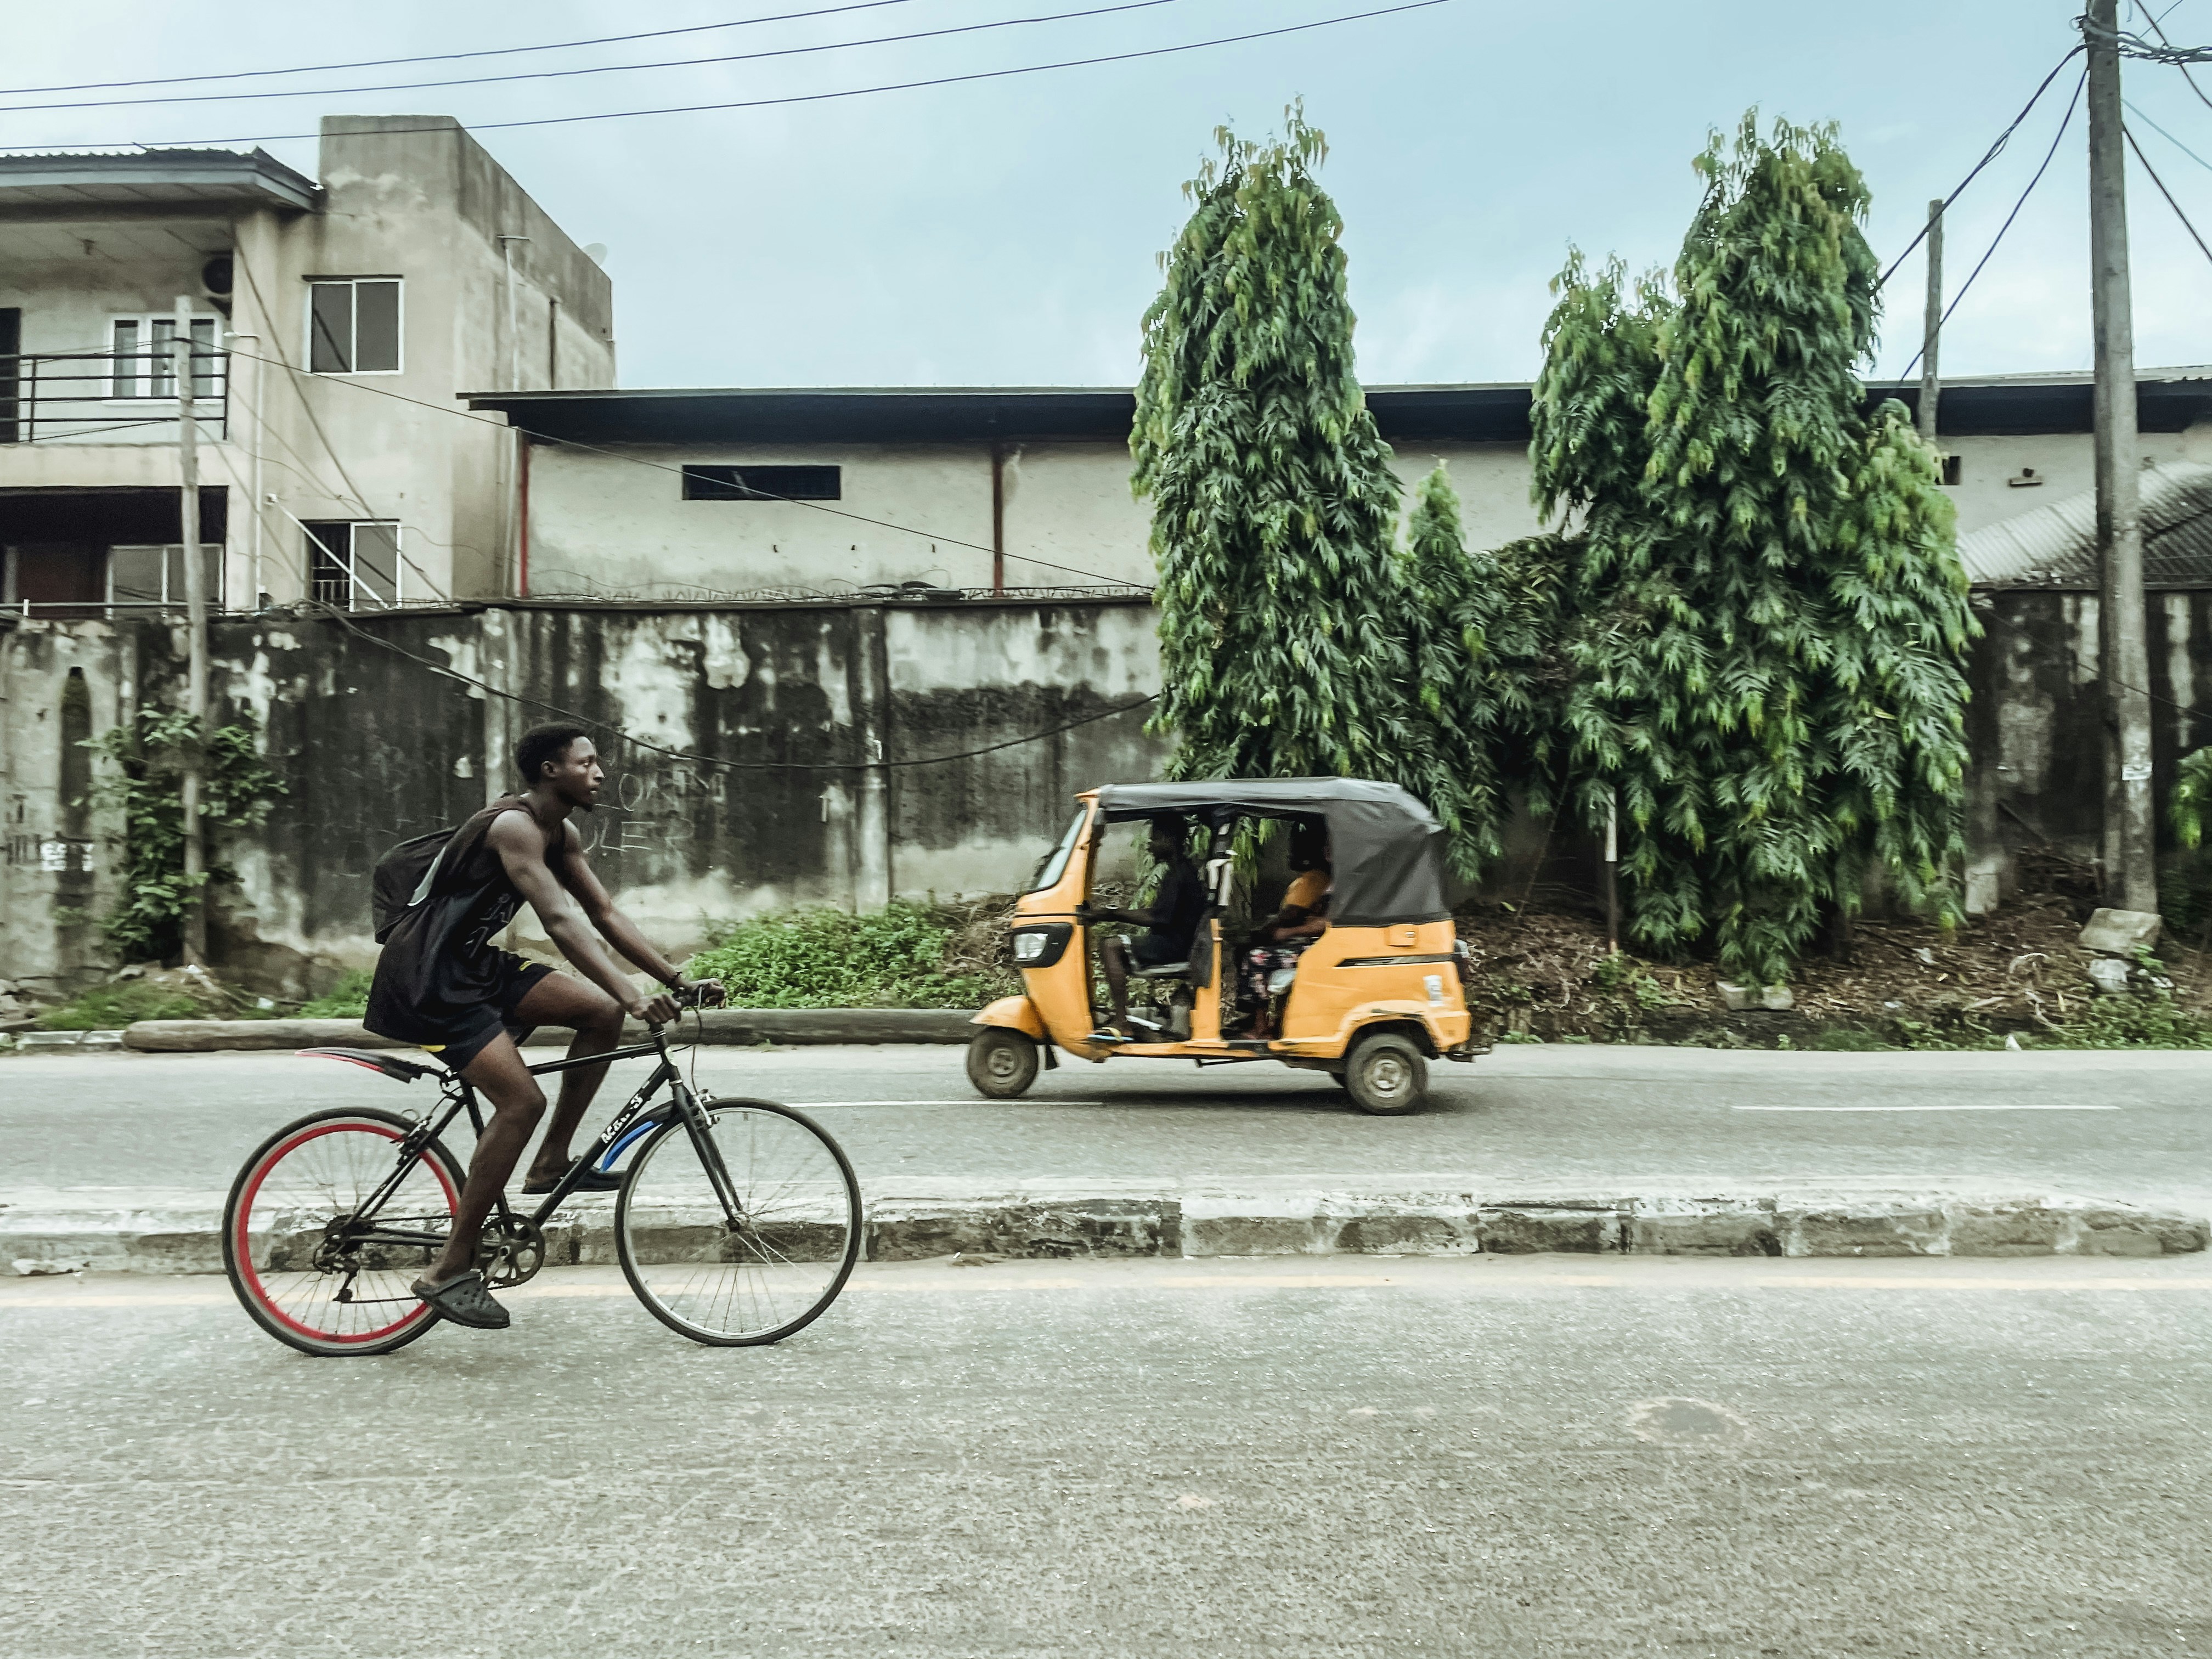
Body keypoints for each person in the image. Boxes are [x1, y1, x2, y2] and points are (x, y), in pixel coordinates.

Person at [365, 721, 723, 1331]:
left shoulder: (562, 831)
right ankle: (449, 1267)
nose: (601, 772)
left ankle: (551, 1163)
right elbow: (559, 920)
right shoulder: (513, 827)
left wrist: (673, 979)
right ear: (552, 771)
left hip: (474, 966)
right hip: (429, 981)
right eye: (588, 763)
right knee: (520, 1102)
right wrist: (635, 994)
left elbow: (602, 912)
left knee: (599, 1012)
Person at [1076, 815, 1205, 1039]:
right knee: (1114, 945)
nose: (1150, 845)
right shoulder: (1179, 871)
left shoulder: (1180, 875)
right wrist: (1109, 914)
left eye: (1155, 839)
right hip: (1173, 941)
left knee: (1111, 946)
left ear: (1170, 840)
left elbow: (1159, 919)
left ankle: (1122, 1021)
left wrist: (1110, 913)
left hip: (1173, 946)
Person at [1241, 821, 1331, 1038]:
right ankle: (1267, 1020)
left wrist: (1287, 933)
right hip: (1318, 945)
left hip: (1323, 949)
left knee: (1256, 958)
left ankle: (1261, 1026)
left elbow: (1326, 924)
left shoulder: (1335, 883)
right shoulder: (1334, 881)